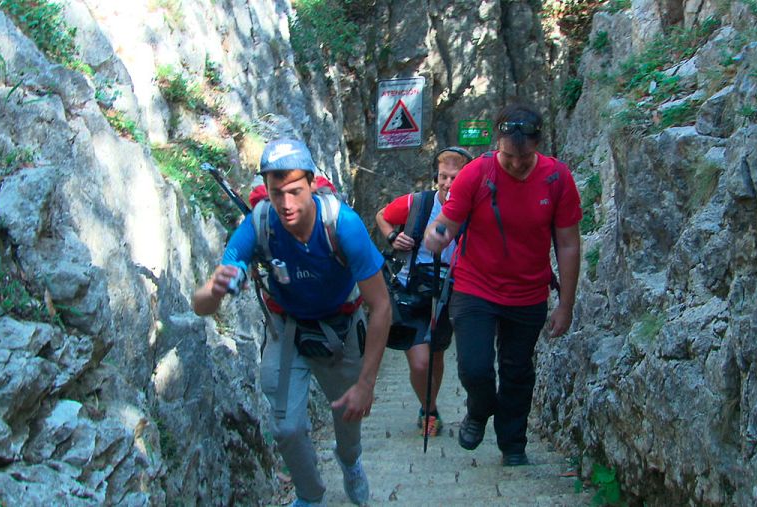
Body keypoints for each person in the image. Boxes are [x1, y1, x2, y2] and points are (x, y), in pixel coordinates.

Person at [192, 138, 390, 507]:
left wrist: (366, 383)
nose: (286, 204)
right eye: (276, 192)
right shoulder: (260, 224)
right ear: (266, 191)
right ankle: (310, 496)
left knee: (348, 418)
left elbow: (381, 306)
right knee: (286, 427)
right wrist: (216, 290)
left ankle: (349, 462)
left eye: (296, 191)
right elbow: (200, 305)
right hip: (287, 330)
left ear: (313, 185)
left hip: (342, 331)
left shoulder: (343, 225)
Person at [423, 103, 582, 466]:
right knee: (475, 367)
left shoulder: (557, 179)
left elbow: (569, 243)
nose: (516, 164)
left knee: (517, 369)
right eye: (509, 156)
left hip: (527, 291)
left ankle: (513, 444)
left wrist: (566, 305)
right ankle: (479, 410)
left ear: (538, 145)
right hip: (474, 286)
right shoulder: (477, 173)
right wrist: (437, 235)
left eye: (525, 158)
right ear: (498, 144)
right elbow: (449, 221)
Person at [374, 147, 472, 437]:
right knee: (421, 360)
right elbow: (383, 215)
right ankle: (428, 408)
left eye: (455, 177)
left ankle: (429, 407)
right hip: (413, 288)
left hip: (450, 291)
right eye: (443, 176)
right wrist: (393, 236)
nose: (448, 183)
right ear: (436, 177)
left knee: (436, 354)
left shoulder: (473, 207)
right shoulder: (419, 203)